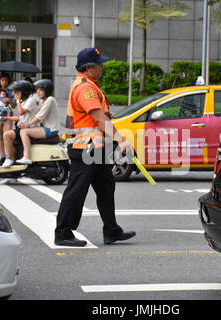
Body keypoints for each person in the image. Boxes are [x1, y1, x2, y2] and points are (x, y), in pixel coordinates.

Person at [54, 47, 136, 247]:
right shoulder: (85, 88)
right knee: (76, 191)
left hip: (96, 148)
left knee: (106, 188)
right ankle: (63, 233)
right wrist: (120, 139)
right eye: (100, 64)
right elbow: (99, 119)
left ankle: (112, 230)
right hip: (85, 148)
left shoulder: (90, 85)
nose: (102, 67)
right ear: (89, 67)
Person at [16, 79, 62, 165]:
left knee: (23, 132)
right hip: (46, 128)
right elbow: (35, 114)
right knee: (24, 130)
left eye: (41, 89)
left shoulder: (50, 100)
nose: (38, 92)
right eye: (37, 89)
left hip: (51, 129)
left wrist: (26, 125)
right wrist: (23, 122)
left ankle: (27, 157)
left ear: (47, 90)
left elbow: (40, 116)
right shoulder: (42, 101)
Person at [1, 80, 39, 167]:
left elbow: (21, 112)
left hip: (29, 129)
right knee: (10, 141)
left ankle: (9, 158)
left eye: (16, 92)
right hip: (22, 128)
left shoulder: (30, 100)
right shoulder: (25, 101)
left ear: (23, 92)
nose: (14, 94)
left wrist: (18, 101)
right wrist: (7, 118)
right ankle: (11, 166)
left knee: (6, 135)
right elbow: (20, 117)